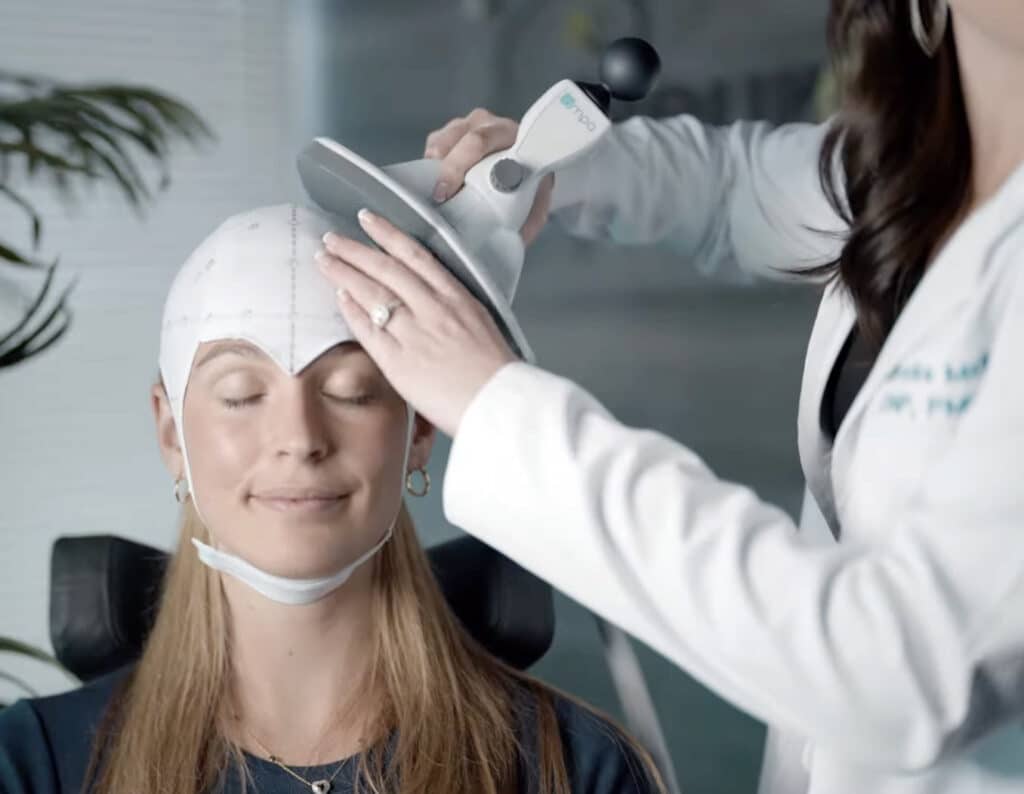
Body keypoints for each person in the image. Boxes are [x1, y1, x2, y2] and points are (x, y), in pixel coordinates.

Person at [311, 1, 1024, 792]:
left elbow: (905, 672)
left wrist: (495, 409)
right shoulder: (915, 173)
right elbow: (734, 183)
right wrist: (546, 164)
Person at [0, 204, 663, 794]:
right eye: (241, 395)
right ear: (173, 433)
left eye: (350, 390)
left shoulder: (573, 768)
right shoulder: (30, 765)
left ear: (420, 429)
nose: (299, 438)